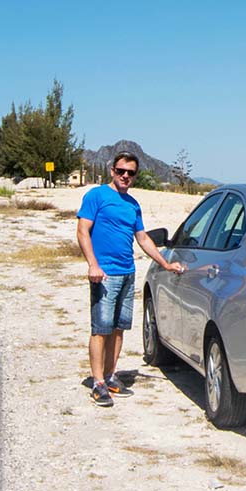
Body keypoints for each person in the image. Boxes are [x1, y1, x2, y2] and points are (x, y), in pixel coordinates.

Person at [75, 151, 185, 407]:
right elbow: (82, 230)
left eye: (131, 173)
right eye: (121, 171)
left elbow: (142, 237)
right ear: (112, 171)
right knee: (100, 329)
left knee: (119, 327)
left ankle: (111, 375)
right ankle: (98, 382)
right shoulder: (96, 196)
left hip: (127, 272)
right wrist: (93, 264)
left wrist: (165, 263)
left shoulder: (133, 204)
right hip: (104, 274)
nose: (125, 176)